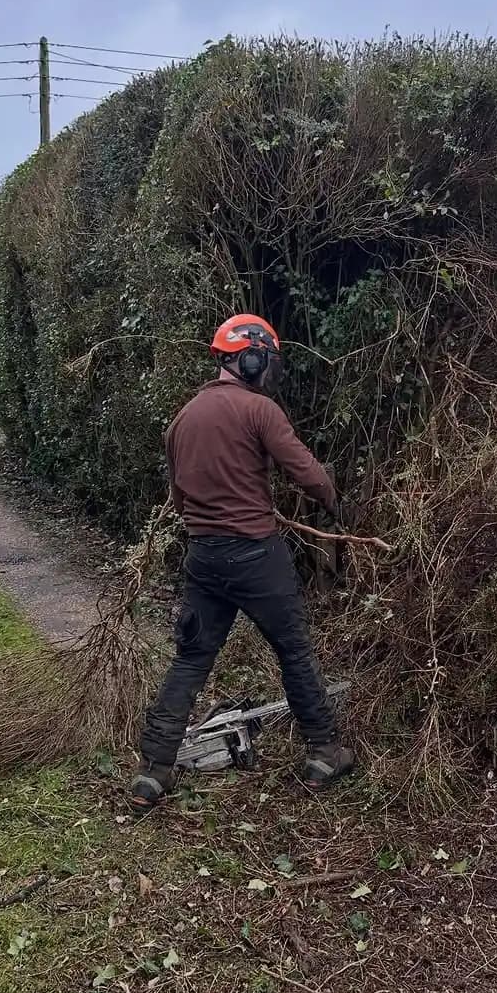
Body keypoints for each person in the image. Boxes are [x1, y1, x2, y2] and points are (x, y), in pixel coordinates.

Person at [130, 313, 355, 813]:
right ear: (250, 358)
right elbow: (309, 475)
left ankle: (155, 768)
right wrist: (334, 499)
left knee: (191, 658)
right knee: (293, 650)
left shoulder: (181, 420)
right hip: (257, 554)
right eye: (266, 361)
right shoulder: (261, 411)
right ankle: (324, 751)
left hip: (204, 556)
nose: (267, 372)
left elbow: (181, 500)